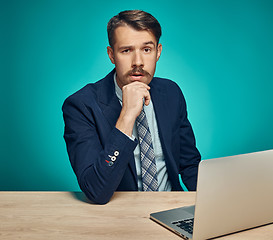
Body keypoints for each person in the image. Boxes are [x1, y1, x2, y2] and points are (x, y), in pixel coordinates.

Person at [62, 10, 201, 204]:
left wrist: (214, 205)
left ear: (158, 51)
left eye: (146, 49)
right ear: (111, 55)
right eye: (126, 50)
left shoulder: (171, 92)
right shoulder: (80, 106)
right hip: (119, 214)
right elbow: (96, 191)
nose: (138, 62)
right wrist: (126, 116)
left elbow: (190, 165)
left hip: (170, 208)